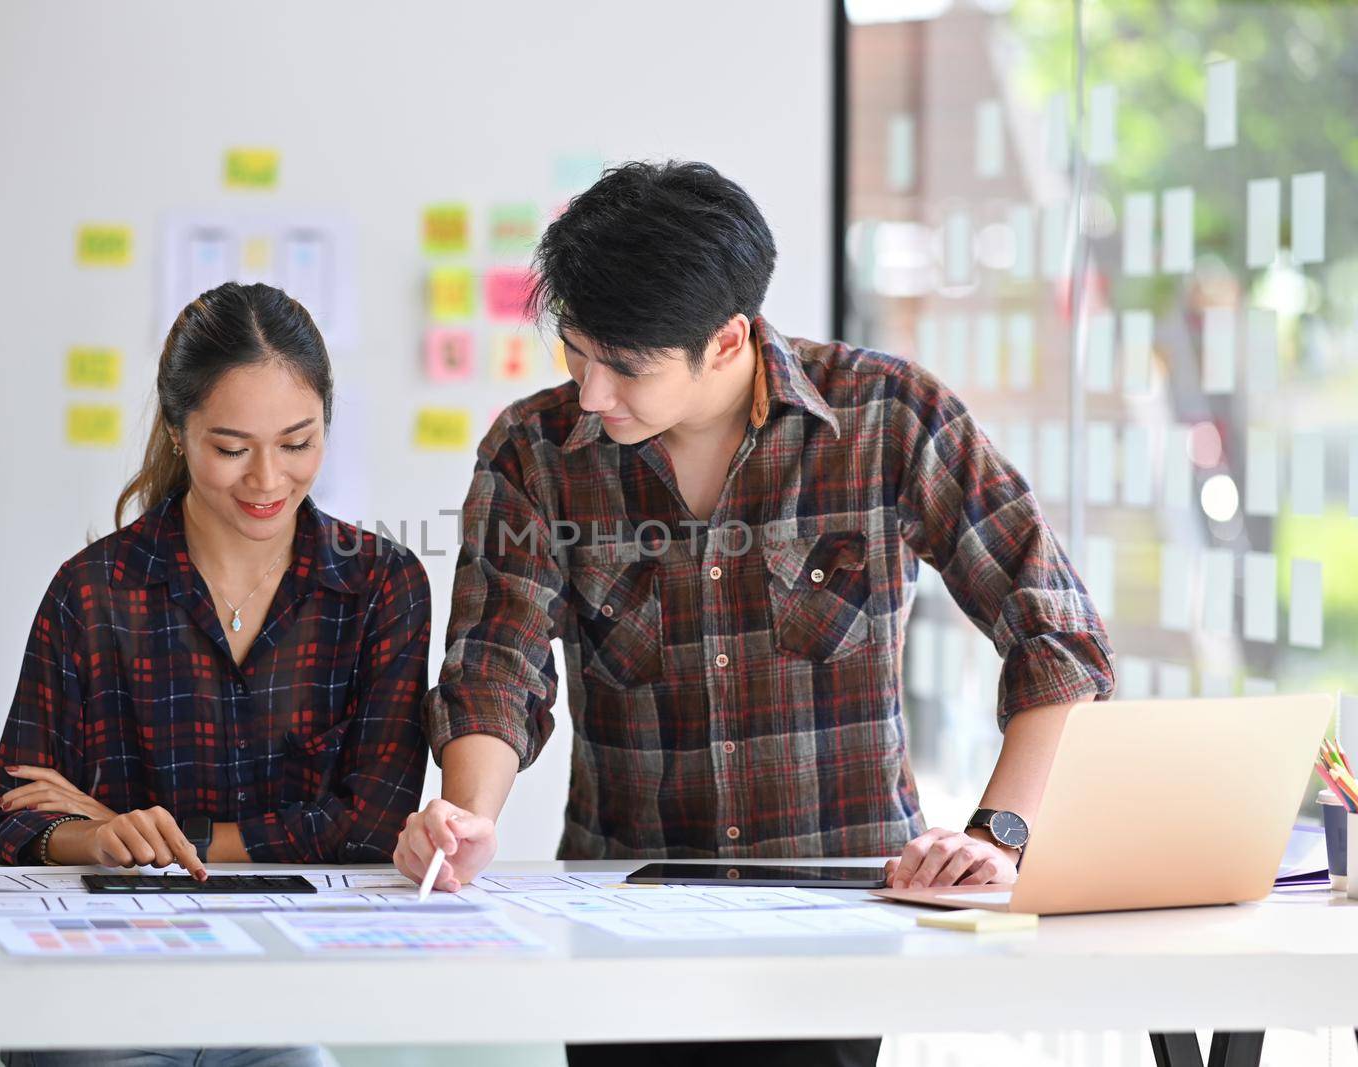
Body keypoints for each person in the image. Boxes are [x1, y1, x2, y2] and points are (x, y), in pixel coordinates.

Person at [393, 161, 1114, 1067]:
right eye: (575, 351)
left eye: (624, 366)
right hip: (624, 927)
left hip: (843, 924)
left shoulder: (889, 418)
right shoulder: (536, 452)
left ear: (728, 341)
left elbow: (1058, 634)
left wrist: (998, 835)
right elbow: (496, 662)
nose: (590, 393)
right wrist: (468, 816)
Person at [0, 282, 430, 1067]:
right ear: (178, 432)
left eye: (298, 442)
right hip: (100, 993)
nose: (267, 480)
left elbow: (372, 826)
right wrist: (97, 836)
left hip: (275, 991)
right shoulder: (94, 590)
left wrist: (154, 833)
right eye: (231, 447)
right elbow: (4, 826)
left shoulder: (379, 585)